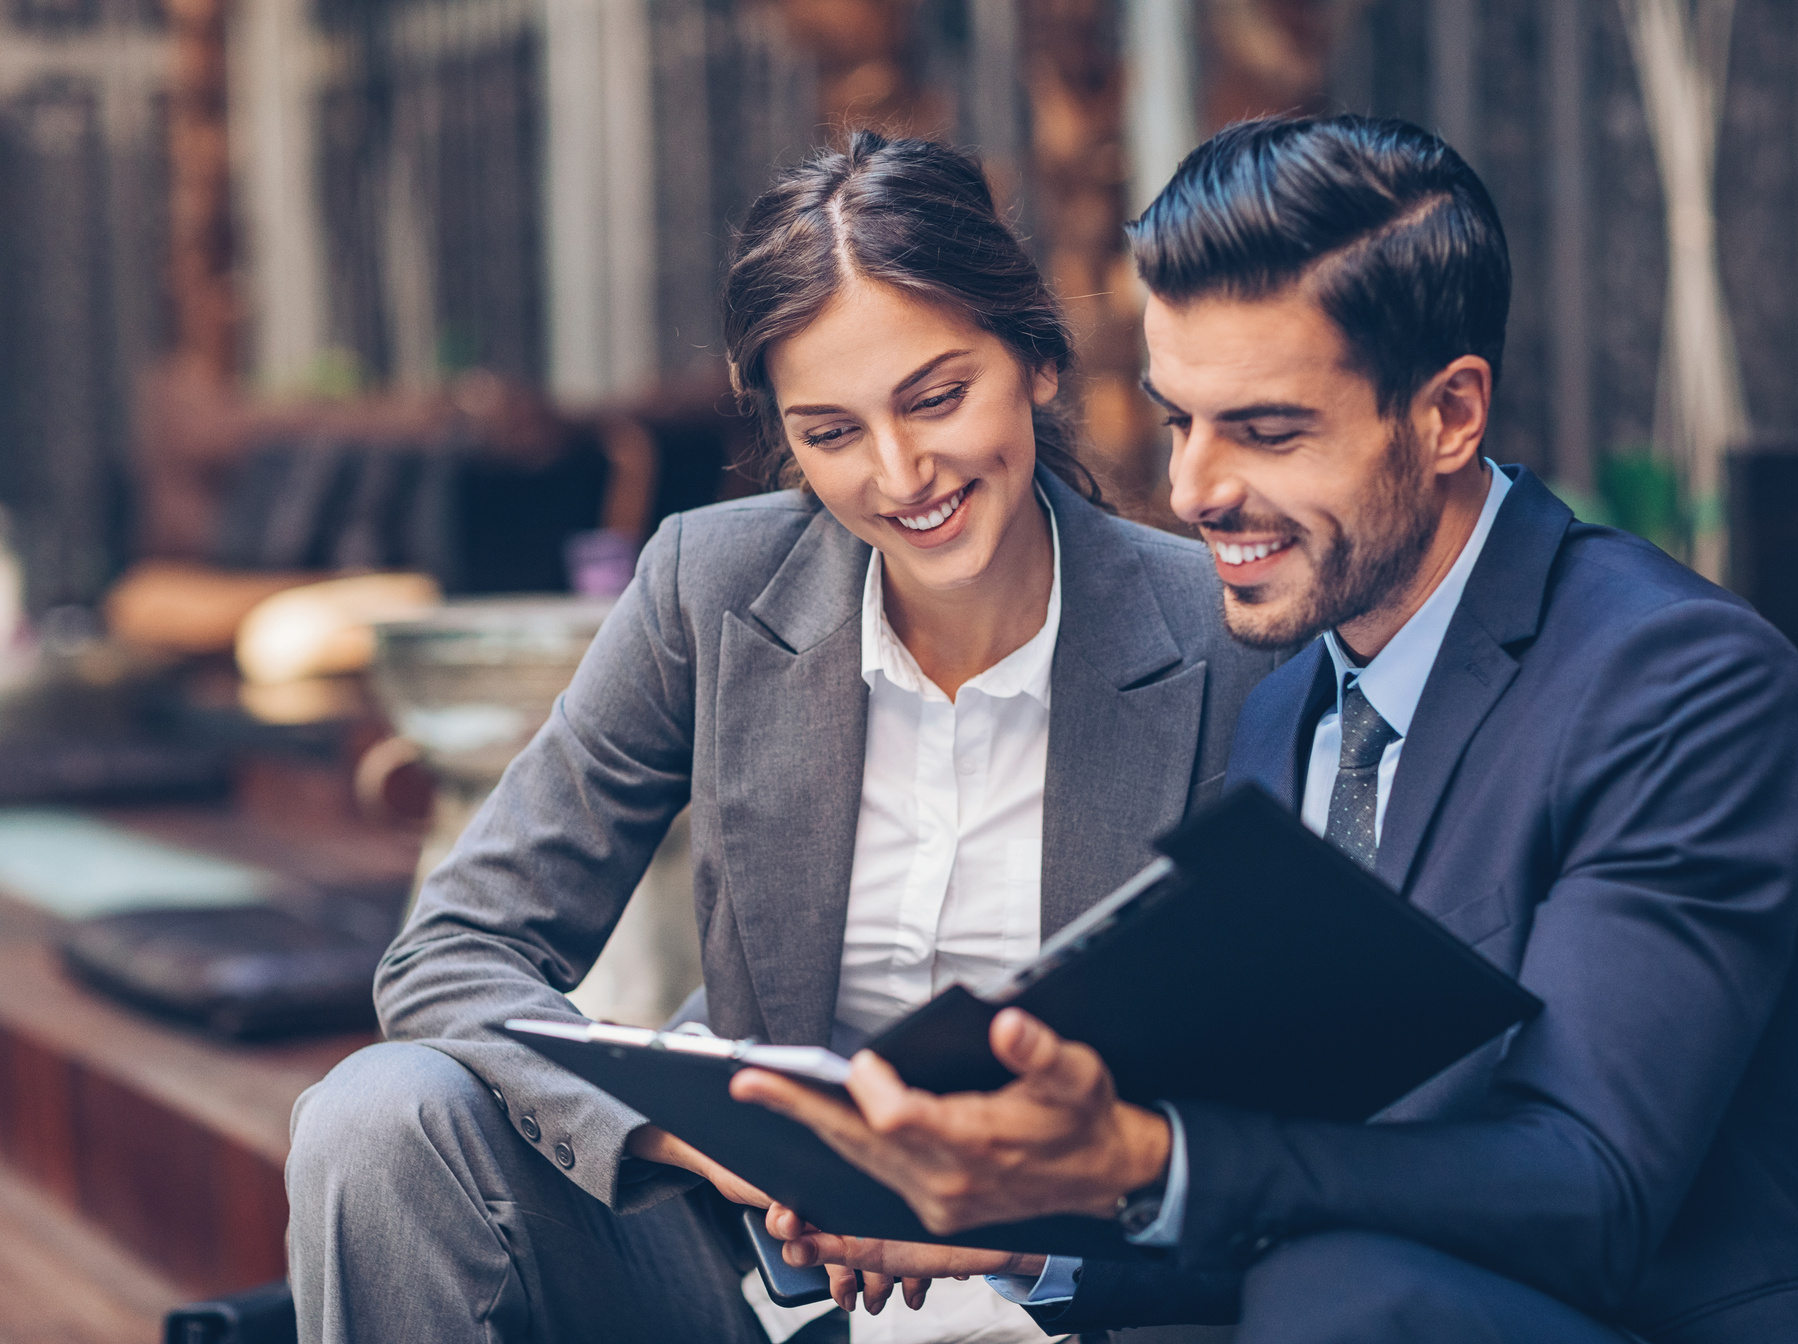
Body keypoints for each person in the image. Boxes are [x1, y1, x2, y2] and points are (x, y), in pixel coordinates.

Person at [736, 115, 1798, 1344]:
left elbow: (1588, 1189)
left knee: (1333, 1293)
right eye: (1180, 420)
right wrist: (1018, 1219)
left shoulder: (1681, 684)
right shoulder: (1291, 705)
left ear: (1449, 414)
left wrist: (1143, 1154)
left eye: (1268, 431)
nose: (1194, 492)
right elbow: (1291, 1189)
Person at [284, 131, 1278, 1344]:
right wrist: (695, 1134)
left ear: (1039, 361)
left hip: (1084, 1293)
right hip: (758, 1285)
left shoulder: (1229, 635)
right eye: (831, 431)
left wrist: (1029, 1220)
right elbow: (449, 950)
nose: (901, 473)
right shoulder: (711, 587)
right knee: (378, 1115)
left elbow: (1290, 1095)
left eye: (937, 396)